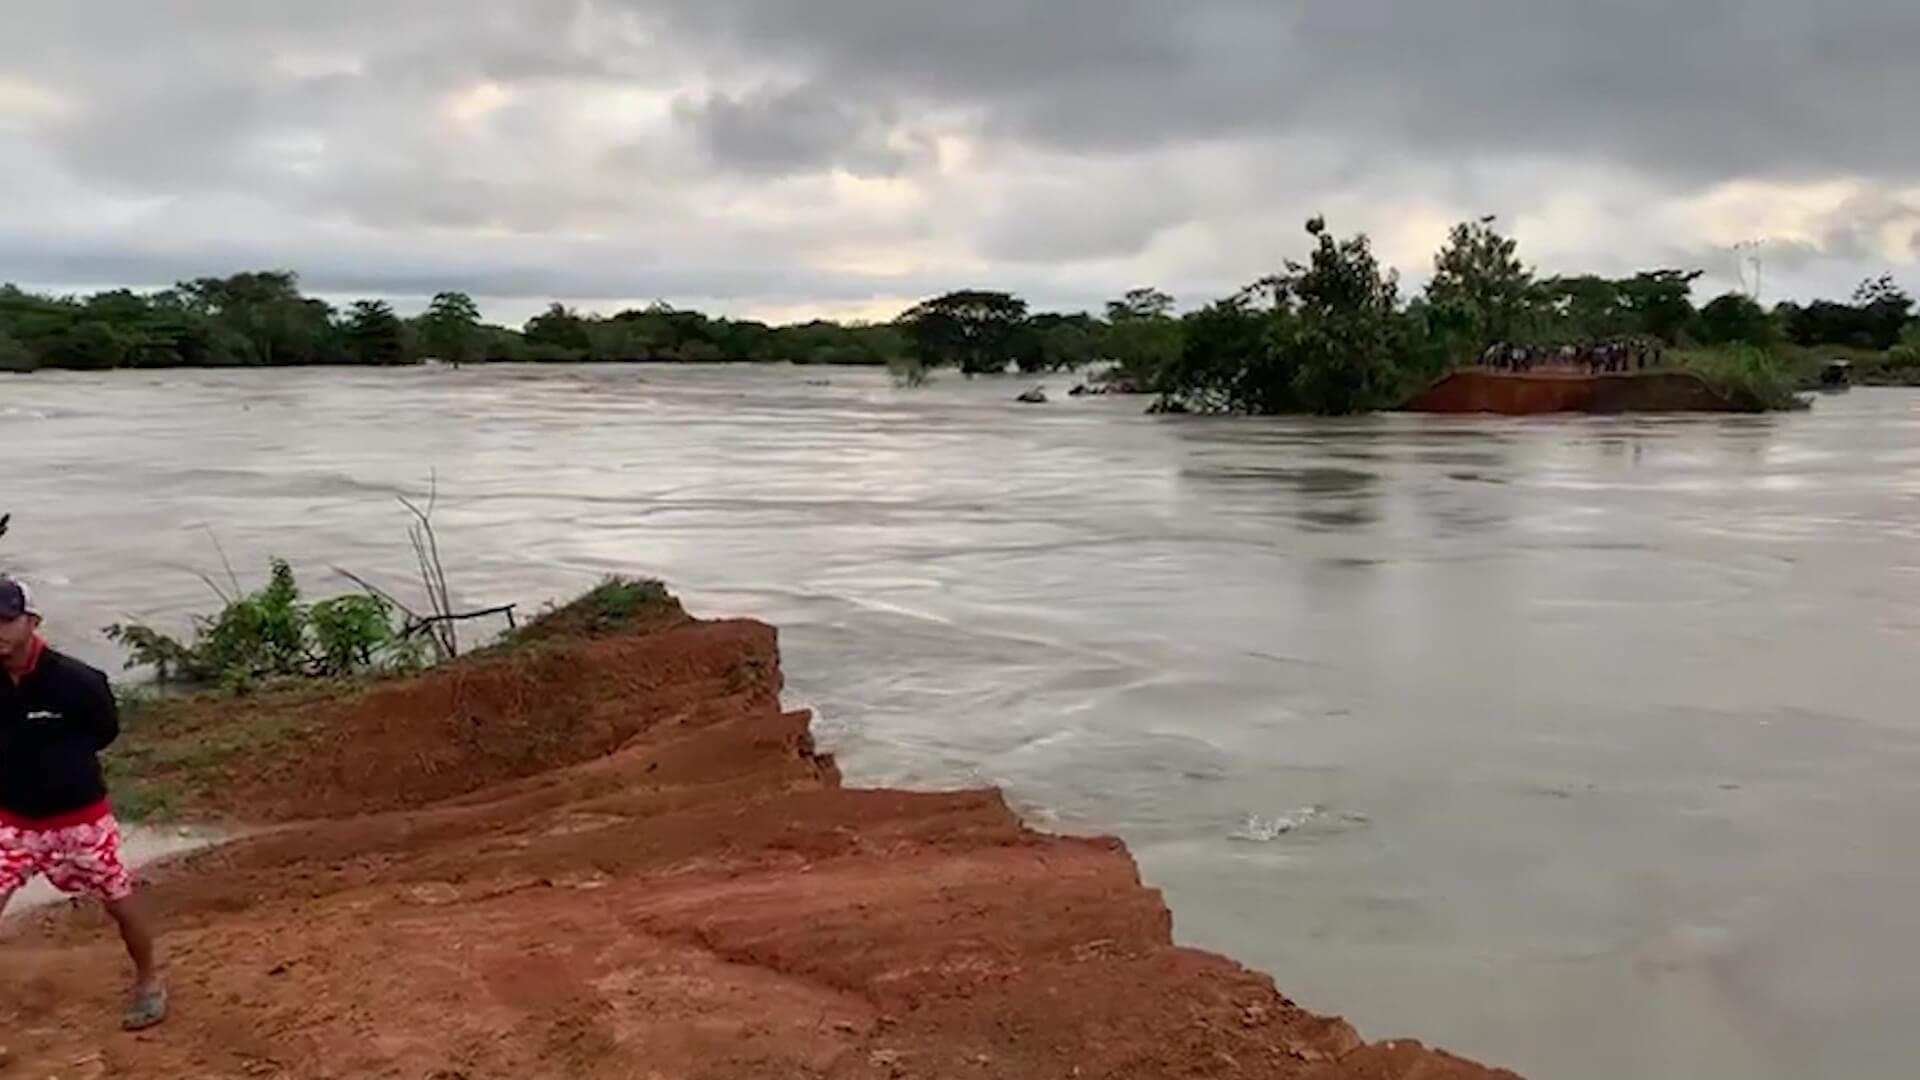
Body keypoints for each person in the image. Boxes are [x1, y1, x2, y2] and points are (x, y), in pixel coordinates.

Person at [0, 578, 165, 1030]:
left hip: (80, 820)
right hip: (13, 820)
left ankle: (149, 980)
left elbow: (104, 731)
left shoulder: (76, 680)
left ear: (31, 622)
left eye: (6, 619)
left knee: (117, 898)